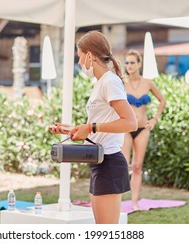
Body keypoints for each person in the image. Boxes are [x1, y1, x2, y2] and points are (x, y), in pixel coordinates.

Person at [49, 30, 138, 224]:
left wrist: (90, 127)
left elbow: (130, 122)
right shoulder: (101, 83)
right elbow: (100, 124)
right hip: (99, 162)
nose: (79, 63)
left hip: (110, 163)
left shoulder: (109, 82)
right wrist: (71, 129)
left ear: (89, 55)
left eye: (79, 57)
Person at [122, 49, 166, 211]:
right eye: (127, 63)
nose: (129, 65)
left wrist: (154, 119)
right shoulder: (122, 83)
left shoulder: (148, 83)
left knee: (137, 166)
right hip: (126, 129)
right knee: (123, 164)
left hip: (142, 129)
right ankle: (116, 200)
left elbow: (162, 100)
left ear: (139, 64)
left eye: (132, 62)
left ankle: (134, 202)